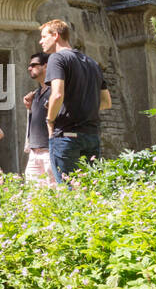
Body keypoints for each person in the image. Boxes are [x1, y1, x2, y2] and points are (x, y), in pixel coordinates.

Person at [40, 19, 113, 183]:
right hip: (92, 136)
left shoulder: (57, 58)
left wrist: (50, 121)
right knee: (92, 189)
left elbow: (57, 94)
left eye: (44, 36)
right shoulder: (93, 63)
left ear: (56, 35)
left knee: (68, 191)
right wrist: (81, 106)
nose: (41, 41)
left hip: (66, 136)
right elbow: (106, 102)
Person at [22, 51, 57, 186]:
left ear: (46, 66)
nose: (29, 68)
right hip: (34, 151)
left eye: (34, 65)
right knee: (34, 196)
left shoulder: (56, 91)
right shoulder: (36, 93)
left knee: (55, 191)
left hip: (50, 150)